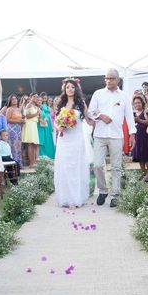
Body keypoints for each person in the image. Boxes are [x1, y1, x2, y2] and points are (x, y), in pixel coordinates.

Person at [88, 69, 136, 207]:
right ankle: (103, 190)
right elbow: (90, 112)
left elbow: (129, 116)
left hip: (116, 135)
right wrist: (101, 116)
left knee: (115, 167)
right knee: (97, 165)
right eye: (106, 78)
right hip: (100, 135)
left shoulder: (124, 96)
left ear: (118, 80)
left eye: (111, 78)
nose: (108, 81)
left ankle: (115, 194)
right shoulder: (98, 94)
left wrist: (132, 134)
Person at [54, 79, 93, 208]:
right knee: (65, 166)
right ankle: (65, 198)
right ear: (64, 89)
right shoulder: (61, 103)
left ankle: (76, 197)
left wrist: (98, 120)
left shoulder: (81, 103)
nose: (70, 89)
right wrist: (59, 127)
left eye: (72, 87)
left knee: (76, 166)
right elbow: (55, 120)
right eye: (67, 87)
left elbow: (88, 120)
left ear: (76, 89)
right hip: (64, 139)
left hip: (77, 138)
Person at [131, 95, 148, 182]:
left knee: (146, 155)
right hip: (137, 137)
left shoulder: (145, 112)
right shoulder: (133, 113)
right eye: (135, 103)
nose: (137, 104)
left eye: (138, 102)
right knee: (139, 155)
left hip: (145, 137)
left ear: (142, 103)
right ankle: (143, 172)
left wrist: (138, 120)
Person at [5, 94, 24, 169]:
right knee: (13, 146)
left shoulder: (18, 109)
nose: (14, 100)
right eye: (12, 99)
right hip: (12, 129)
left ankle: (18, 164)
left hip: (18, 129)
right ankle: (13, 164)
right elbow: (7, 119)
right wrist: (19, 120)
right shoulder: (9, 109)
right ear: (10, 100)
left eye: (15, 99)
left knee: (18, 146)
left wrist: (22, 121)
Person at [22, 93, 41, 167]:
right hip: (29, 124)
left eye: (37, 97)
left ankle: (33, 162)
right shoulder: (29, 105)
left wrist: (39, 116)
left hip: (34, 124)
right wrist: (36, 113)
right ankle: (31, 163)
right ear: (30, 97)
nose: (36, 98)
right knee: (30, 143)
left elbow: (37, 118)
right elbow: (27, 116)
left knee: (34, 144)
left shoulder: (36, 106)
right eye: (34, 96)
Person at [38, 91, 56, 159]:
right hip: (43, 123)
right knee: (44, 139)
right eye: (43, 97)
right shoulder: (40, 105)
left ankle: (50, 154)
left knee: (49, 138)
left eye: (46, 97)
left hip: (49, 124)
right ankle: (43, 154)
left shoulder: (47, 105)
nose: (44, 98)